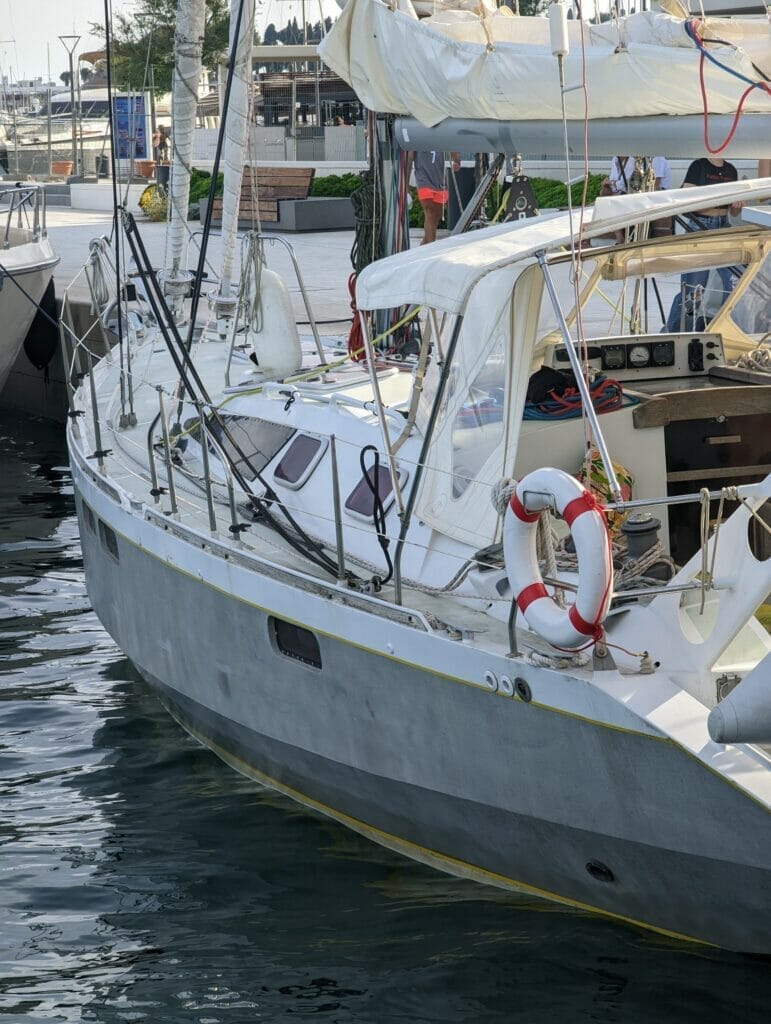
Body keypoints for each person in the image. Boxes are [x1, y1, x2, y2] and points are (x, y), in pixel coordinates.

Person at [665, 155, 742, 332]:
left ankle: (724, 329)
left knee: (733, 283)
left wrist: (737, 205)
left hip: (723, 224)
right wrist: (721, 198)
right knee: (694, 289)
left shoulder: (731, 169)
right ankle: (674, 333)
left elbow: (734, 212)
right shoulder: (698, 166)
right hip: (700, 226)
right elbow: (689, 202)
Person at [409, 150, 461, 245]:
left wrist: (456, 161)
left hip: (439, 180)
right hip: (423, 179)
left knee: (436, 216)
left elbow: (451, 146)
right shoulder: (418, 135)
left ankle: (423, 247)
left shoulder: (440, 134)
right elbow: (410, 156)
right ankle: (431, 248)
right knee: (430, 212)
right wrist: (406, 183)